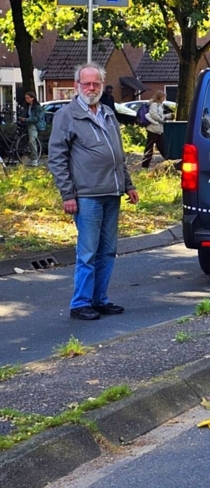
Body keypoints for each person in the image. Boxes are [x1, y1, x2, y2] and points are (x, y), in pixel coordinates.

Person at [48, 63, 139, 321]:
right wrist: (68, 194)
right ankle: (80, 303)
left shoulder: (108, 113)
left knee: (108, 250)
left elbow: (117, 156)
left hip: (112, 193)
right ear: (77, 86)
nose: (91, 88)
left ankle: (100, 299)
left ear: (101, 85)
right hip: (86, 195)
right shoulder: (67, 115)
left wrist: (128, 184)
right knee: (87, 251)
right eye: (86, 83)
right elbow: (57, 158)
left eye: (96, 84)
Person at [140, 91, 170, 168]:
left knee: (161, 146)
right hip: (153, 129)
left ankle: (169, 161)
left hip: (158, 129)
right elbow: (154, 115)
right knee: (150, 147)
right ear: (160, 97)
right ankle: (145, 164)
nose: (164, 99)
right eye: (163, 97)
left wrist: (167, 116)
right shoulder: (154, 104)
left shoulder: (160, 105)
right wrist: (163, 118)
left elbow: (159, 115)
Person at [21, 91, 44, 166]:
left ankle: (35, 159)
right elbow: (24, 115)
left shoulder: (37, 107)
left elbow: (37, 118)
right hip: (27, 123)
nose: (26, 99)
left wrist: (26, 119)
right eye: (26, 98)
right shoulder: (26, 106)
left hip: (34, 124)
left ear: (32, 98)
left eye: (28, 98)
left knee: (32, 141)